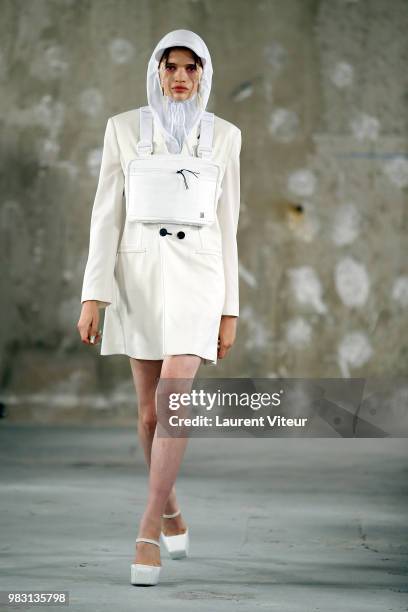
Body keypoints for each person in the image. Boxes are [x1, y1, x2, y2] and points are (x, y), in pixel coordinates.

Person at [77, 29, 242, 585]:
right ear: (156, 71)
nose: (180, 77)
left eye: (191, 68)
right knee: (149, 413)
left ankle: (147, 525)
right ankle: (170, 505)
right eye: (171, 66)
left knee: (173, 401)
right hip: (138, 276)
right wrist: (93, 294)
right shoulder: (124, 129)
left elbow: (229, 225)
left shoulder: (224, 137)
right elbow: (105, 215)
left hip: (200, 275)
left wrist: (230, 309)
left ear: (203, 74)